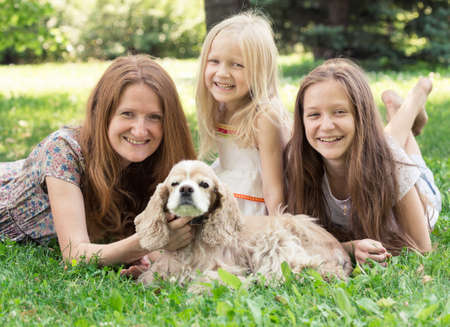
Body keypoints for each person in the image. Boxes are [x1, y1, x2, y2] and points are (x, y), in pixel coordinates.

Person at [0, 55, 196, 270]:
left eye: (154, 117)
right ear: (101, 113)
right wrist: (150, 240)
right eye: (127, 114)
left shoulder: (156, 162)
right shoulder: (62, 151)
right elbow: (75, 255)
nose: (140, 130)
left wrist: (153, 258)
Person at [284, 58, 442, 265]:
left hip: (419, 184)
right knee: (386, 142)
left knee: (390, 148)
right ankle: (398, 107)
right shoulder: (299, 162)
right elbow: (297, 244)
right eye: (314, 115)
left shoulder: (391, 165)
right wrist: (349, 248)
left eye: (339, 112)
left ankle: (420, 91)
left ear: (362, 116)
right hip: (378, 149)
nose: (326, 125)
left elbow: (422, 249)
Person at [195, 12, 292, 216]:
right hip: (226, 191)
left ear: (260, 71)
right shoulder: (219, 108)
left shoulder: (264, 117)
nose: (222, 73)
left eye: (237, 65)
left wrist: (279, 228)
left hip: (253, 206)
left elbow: (274, 187)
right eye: (214, 61)